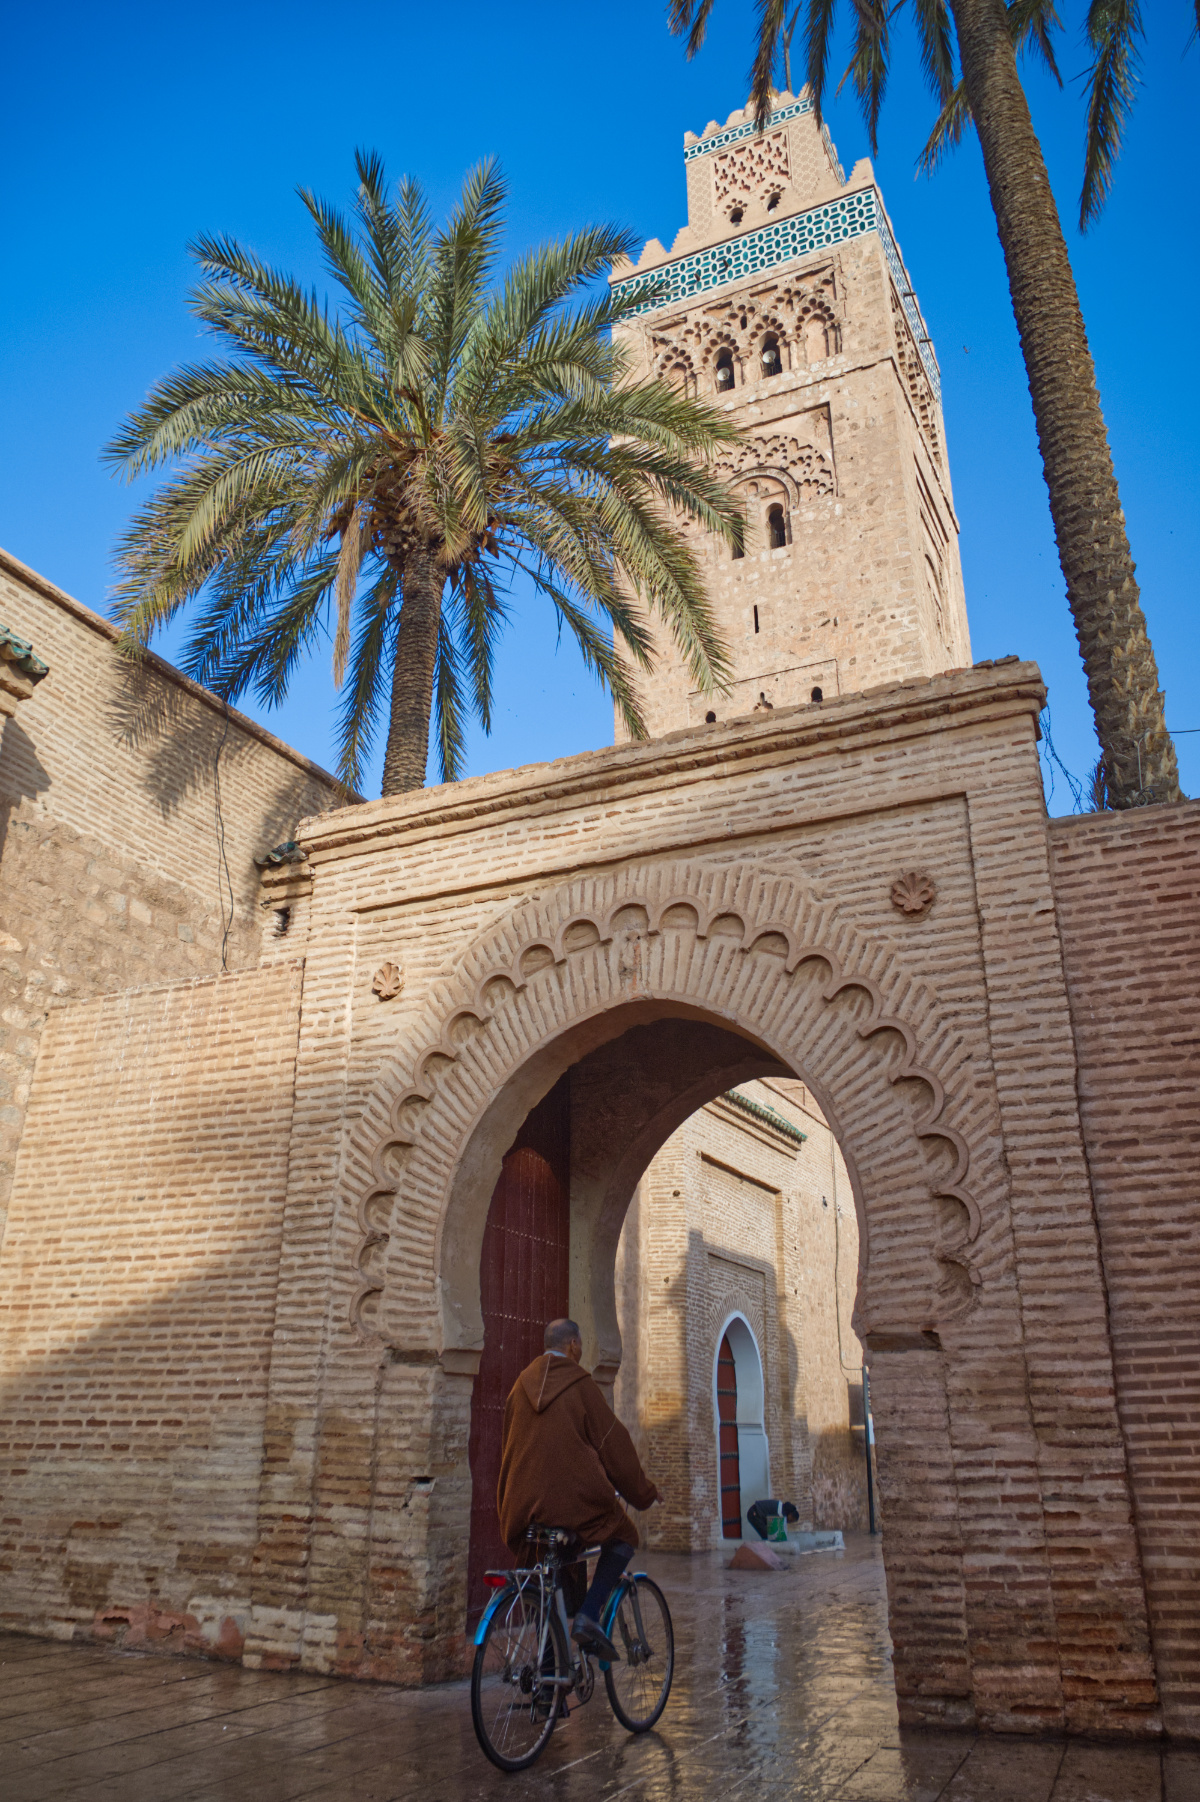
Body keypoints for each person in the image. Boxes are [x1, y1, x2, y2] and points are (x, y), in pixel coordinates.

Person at [497, 1317, 660, 1662]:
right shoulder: (580, 1385)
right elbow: (613, 1445)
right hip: (571, 1503)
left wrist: (510, 1503)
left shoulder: (519, 1385)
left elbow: (508, 1448)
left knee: (546, 1570)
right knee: (625, 1536)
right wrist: (642, 1492)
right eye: (581, 1345)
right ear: (573, 1345)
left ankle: (548, 1679)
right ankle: (588, 1615)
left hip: (523, 1505)